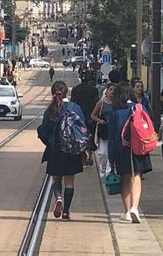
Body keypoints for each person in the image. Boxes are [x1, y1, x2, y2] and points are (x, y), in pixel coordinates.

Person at [37, 81, 85, 220]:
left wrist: (49, 142)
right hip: (72, 150)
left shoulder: (50, 110)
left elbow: (44, 131)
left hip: (55, 149)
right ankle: (66, 212)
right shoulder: (75, 107)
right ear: (66, 93)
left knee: (56, 178)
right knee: (69, 181)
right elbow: (83, 128)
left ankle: (58, 198)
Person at [108, 82, 152, 223]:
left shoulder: (115, 113)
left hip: (122, 148)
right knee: (137, 176)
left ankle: (127, 211)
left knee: (125, 178)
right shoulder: (140, 107)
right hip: (139, 147)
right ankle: (135, 207)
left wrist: (111, 157)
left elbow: (112, 137)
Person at [71, 69, 99, 165]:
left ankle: (83, 156)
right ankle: (90, 156)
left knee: (80, 137)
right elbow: (96, 103)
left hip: (79, 118)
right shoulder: (94, 89)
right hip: (91, 117)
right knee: (90, 136)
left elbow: (72, 104)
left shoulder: (75, 89)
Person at [90, 83, 116, 177]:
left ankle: (109, 170)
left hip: (114, 130)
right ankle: (103, 168)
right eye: (111, 89)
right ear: (107, 90)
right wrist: (100, 121)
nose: (112, 92)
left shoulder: (117, 103)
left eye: (114, 90)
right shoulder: (101, 103)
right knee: (102, 152)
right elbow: (92, 115)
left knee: (111, 151)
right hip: (104, 130)